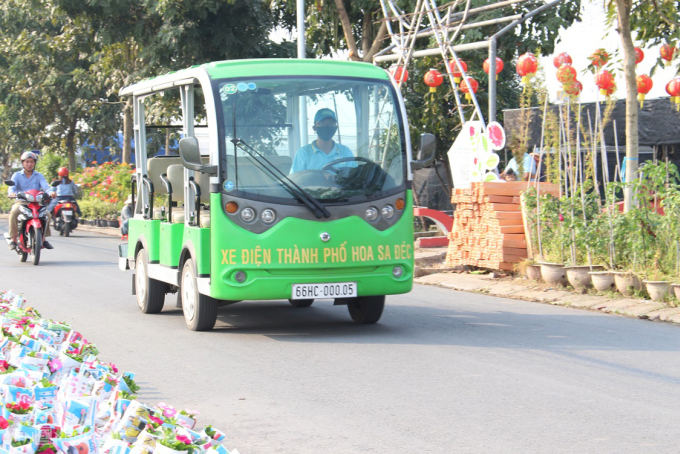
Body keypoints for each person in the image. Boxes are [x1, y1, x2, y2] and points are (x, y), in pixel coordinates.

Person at [7, 151, 56, 250]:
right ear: (23, 163)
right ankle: (13, 239)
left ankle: (43, 239)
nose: (29, 164)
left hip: (37, 202)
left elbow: (46, 187)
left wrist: (51, 192)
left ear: (34, 163)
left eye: (32, 162)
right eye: (27, 162)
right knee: (13, 212)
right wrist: (12, 193)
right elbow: (12, 187)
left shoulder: (39, 176)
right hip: (22, 202)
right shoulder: (17, 175)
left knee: (47, 215)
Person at [290, 108, 356, 173]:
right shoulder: (303, 153)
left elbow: (355, 177)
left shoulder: (345, 152)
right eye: (322, 123)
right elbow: (294, 180)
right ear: (315, 128)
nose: (327, 126)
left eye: (331, 123)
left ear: (336, 128)